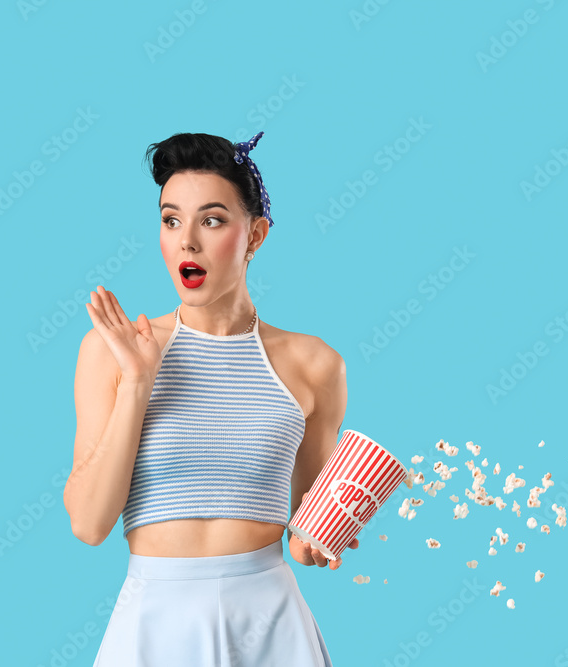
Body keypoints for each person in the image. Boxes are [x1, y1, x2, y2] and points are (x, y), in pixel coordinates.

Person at [63, 131, 356, 666]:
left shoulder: (315, 366)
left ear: (256, 235)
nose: (186, 242)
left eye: (212, 220)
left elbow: (306, 526)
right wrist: (136, 382)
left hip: (271, 622)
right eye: (171, 220)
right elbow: (89, 523)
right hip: (154, 620)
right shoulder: (113, 351)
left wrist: (316, 541)